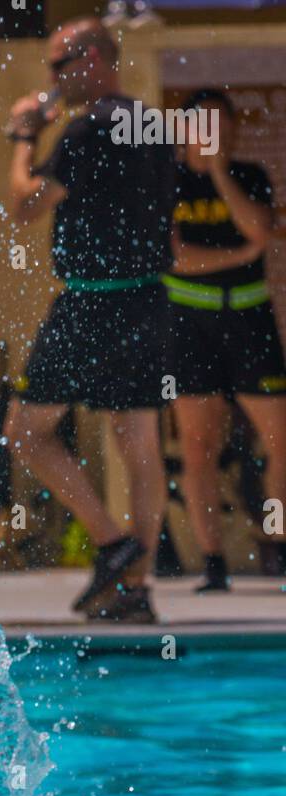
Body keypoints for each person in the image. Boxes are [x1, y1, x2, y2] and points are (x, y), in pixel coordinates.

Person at [4, 17, 176, 623]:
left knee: (25, 431)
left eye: (61, 63)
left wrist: (25, 135)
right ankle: (134, 588)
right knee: (138, 442)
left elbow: (25, 203)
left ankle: (111, 541)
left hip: (89, 302)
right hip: (148, 299)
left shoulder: (85, 130)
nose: (53, 77)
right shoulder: (151, 125)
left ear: (97, 57)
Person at [165, 89, 286, 591]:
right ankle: (212, 561)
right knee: (198, 447)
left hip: (250, 318)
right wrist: (240, 256)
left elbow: (260, 227)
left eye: (224, 125)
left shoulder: (249, 176)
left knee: (280, 438)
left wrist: (218, 173)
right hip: (191, 323)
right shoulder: (166, 182)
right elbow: (173, 258)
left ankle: (277, 547)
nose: (218, 135)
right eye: (206, 126)